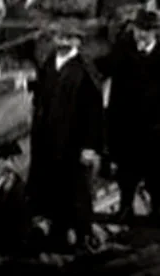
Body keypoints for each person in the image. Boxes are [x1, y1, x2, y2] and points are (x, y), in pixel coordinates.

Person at [103, 9, 160, 224]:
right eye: (139, 29)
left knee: (156, 171)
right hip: (127, 124)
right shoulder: (122, 52)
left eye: (147, 30)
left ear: (155, 32)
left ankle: (157, 210)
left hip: (156, 127)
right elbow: (100, 70)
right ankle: (125, 207)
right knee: (126, 169)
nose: (141, 34)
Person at [26, 28, 105, 248]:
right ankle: (53, 231)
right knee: (49, 184)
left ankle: (80, 235)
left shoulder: (84, 71)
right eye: (60, 37)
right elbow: (43, 92)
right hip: (48, 138)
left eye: (69, 38)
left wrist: (90, 146)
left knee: (75, 188)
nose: (63, 41)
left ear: (78, 41)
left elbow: (94, 113)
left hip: (73, 140)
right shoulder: (50, 63)